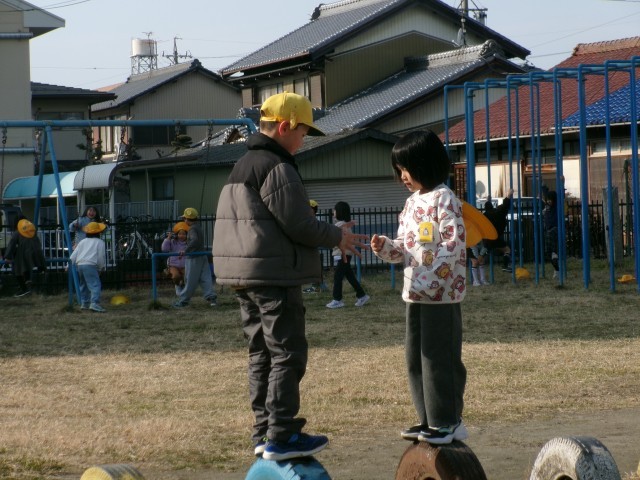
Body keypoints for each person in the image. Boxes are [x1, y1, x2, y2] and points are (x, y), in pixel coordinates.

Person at [212, 91, 368, 461]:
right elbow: (299, 224)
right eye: (302, 133)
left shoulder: (242, 165)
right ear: (284, 127)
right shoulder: (277, 166)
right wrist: (337, 236)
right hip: (273, 275)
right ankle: (281, 435)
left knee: (261, 354)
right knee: (287, 353)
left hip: (243, 275)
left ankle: (263, 432)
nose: (303, 140)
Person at [370, 130, 468, 445]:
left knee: (439, 358)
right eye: (399, 170)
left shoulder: (445, 199)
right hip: (415, 294)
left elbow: (453, 245)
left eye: (406, 169)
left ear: (425, 164)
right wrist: (385, 247)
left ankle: (448, 421)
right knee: (416, 358)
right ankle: (427, 418)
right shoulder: (411, 203)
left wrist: (432, 280)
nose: (402, 176)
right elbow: (404, 246)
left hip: (441, 296)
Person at [326, 201, 370, 308]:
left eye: (335, 210)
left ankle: (337, 300)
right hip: (345, 254)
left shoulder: (340, 225)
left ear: (339, 212)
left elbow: (334, 239)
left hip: (342, 254)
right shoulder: (344, 224)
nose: (333, 212)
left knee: (338, 277)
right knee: (349, 276)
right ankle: (362, 295)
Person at [173, 207, 217, 308]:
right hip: (202, 256)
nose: (184, 220)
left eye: (184, 218)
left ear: (187, 219)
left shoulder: (192, 229)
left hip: (193, 258)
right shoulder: (198, 227)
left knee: (190, 280)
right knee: (206, 278)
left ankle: (183, 301)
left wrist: (185, 250)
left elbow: (194, 240)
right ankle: (212, 299)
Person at [69, 221, 107, 312]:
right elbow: (101, 256)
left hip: (80, 265)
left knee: (83, 285)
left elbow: (74, 254)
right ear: (99, 232)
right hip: (90, 265)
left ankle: (84, 303)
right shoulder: (100, 242)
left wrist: (69, 264)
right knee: (95, 284)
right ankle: (94, 303)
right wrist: (101, 267)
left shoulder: (82, 241)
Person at [4, 216, 46, 297]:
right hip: (37, 252)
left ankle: (24, 289)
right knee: (27, 266)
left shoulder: (18, 232)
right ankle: (30, 279)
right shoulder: (32, 231)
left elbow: (12, 244)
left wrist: (7, 257)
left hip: (26, 253)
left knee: (18, 268)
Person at [483, 188, 514, 272]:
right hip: (495, 237)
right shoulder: (498, 213)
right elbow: (505, 206)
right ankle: (505, 266)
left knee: (486, 249)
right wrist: (508, 195)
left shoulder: (484, 216)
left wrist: (488, 200)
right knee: (507, 249)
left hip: (487, 238)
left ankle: (484, 253)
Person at [302, 199, 327, 294]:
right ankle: (319, 286)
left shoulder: (314, 220)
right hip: (309, 246)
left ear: (312, 209)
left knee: (315, 268)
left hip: (312, 247)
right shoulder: (310, 219)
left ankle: (317, 287)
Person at [162, 221, 189, 294]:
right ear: (177, 234)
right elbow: (164, 249)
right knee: (176, 276)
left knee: (187, 276)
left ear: (186, 235)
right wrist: (168, 238)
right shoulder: (173, 242)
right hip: (173, 265)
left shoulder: (188, 243)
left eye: (184, 234)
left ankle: (183, 285)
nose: (181, 236)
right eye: (180, 234)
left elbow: (191, 249)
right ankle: (177, 285)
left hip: (184, 265)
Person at [542, 190, 560, 279]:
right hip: (549, 230)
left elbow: (559, 196)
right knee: (548, 253)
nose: (549, 201)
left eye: (550, 200)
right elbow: (545, 197)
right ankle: (557, 269)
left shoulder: (555, 206)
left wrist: (562, 183)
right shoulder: (546, 207)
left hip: (554, 229)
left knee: (552, 250)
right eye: (547, 200)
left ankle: (554, 255)